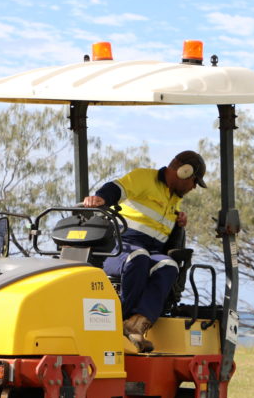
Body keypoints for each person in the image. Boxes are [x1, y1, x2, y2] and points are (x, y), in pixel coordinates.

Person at [82, 150, 206, 352]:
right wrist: (100, 198)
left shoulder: (174, 198)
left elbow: (160, 228)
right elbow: (116, 188)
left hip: (150, 251)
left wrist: (179, 222)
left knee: (169, 266)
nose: (193, 187)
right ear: (184, 172)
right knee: (138, 257)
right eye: (195, 182)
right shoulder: (143, 177)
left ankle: (136, 324)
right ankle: (118, 319)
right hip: (120, 247)